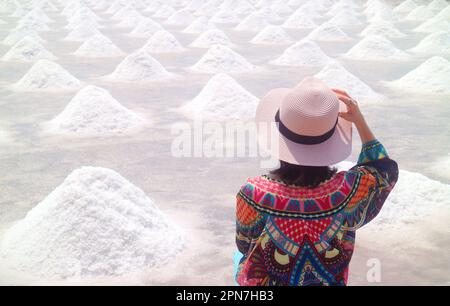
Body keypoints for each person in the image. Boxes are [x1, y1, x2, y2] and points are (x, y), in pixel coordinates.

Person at [235, 77, 399, 286]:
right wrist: (359, 121)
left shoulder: (254, 193)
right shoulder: (348, 191)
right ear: (330, 141)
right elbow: (383, 171)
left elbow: (244, 244)